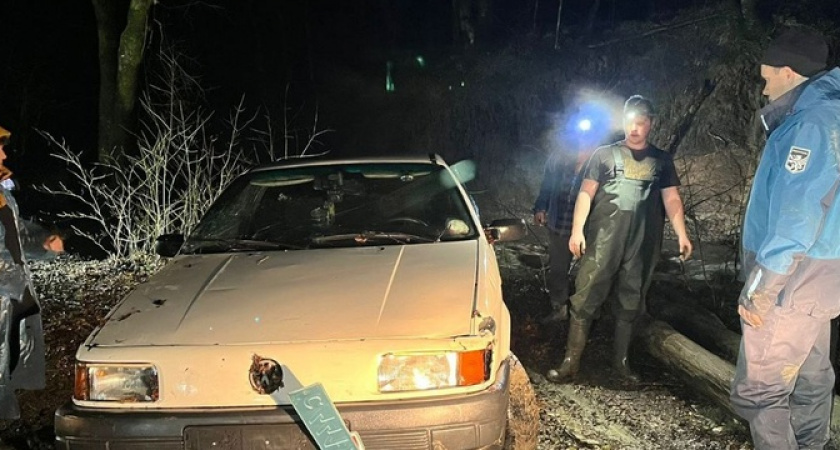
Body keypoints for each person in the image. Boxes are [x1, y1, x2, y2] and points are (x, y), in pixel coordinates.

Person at [729, 28, 840, 449]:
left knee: (761, 392)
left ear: (789, 73)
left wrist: (761, 286)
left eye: (767, 77)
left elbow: (798, 214)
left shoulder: (810, 125)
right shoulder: (832, 115)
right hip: (822, 279)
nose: (763, 87)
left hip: (792, 278)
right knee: (812, 376)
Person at [546, 95, 692, 383]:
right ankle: (570, 363)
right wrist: (577, 230)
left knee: (631, 299)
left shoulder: (661, 161)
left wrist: (682, 234)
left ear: (650, 124)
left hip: (642, 243)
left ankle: (621, 364)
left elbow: (671, 198)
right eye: (629, 122)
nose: (634, 128)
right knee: (586, 294)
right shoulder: (603, 155)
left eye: (641, 123)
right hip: (603, 239)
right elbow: (585, 194)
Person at [0, 125, 64, 419]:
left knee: (14, 341)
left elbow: (16, 231)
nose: (3, 155)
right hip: (4, 284)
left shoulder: (2, 193)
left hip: (11, 283)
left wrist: (42, 241)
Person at [532, 144, 593, 323]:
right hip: (560, 224)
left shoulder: (600, 162)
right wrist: (540, 207)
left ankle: (584, 315)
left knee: (589, 273)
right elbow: (547, 187)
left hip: (589, 230)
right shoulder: (560, 159)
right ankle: (559, 309)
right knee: (558, 270)